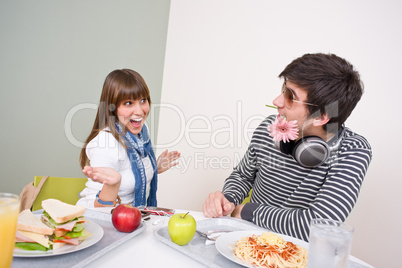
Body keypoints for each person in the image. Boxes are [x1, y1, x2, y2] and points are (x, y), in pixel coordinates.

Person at [202, 53, 372, 241]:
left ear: (321, 116)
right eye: (284, 90)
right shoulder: (270, 126)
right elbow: (243, 175)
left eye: (290, 97)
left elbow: (319, 226)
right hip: (248, 243)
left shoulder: (353, 150)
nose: (277, 101)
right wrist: (228, 200)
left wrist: (248, 211)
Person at [77, 69, 180, 209]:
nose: (139, 111)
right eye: (128, 103)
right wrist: (113, 185)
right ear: (112, 107)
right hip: (103, 222)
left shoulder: (141, 132)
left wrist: (153, 167)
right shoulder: (105, 143)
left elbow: (133, 172)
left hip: (133, 219)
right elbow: (94, 210)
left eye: (143, 100)